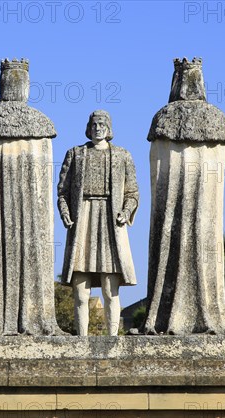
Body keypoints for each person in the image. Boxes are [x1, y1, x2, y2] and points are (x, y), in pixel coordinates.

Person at [57, 110, 139, 336]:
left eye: (102, 124)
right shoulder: (75, 154)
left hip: (111, 223)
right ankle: (81, 340)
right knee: (80, 291)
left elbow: (132, 193)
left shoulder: (123, 156)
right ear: (88, 127)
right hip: (82, 220)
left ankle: (112, 339)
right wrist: (65, 212)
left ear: (109, 128)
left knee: (110, 290)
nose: (97, 128)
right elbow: (62, 192)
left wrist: (126, 210)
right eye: (94, 124)